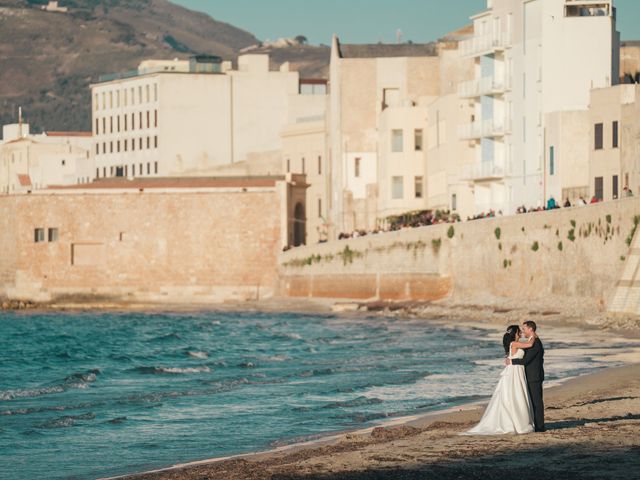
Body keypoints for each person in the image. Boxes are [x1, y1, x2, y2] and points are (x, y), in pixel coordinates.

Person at [462, 325, 535, 435]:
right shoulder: (513, 344)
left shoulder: (513, 345)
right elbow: (529, 344)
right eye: (519, 332)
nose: (520, 333)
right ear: (515, 333)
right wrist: (533, 336)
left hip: (517, 370)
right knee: (514, 394)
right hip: (514, 372)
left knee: (515, 393)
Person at [505, 320, 545, 432]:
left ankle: (540, 427)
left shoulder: (535, 343)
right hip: (530, 376)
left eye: (524, 329)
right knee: (532, 401)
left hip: (534, 376)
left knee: (536, 402)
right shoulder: (531, 341)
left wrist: (512, 361)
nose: (523, 331)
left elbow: (526, 360)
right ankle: (536, 424)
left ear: (530, 329)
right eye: (521, 330)